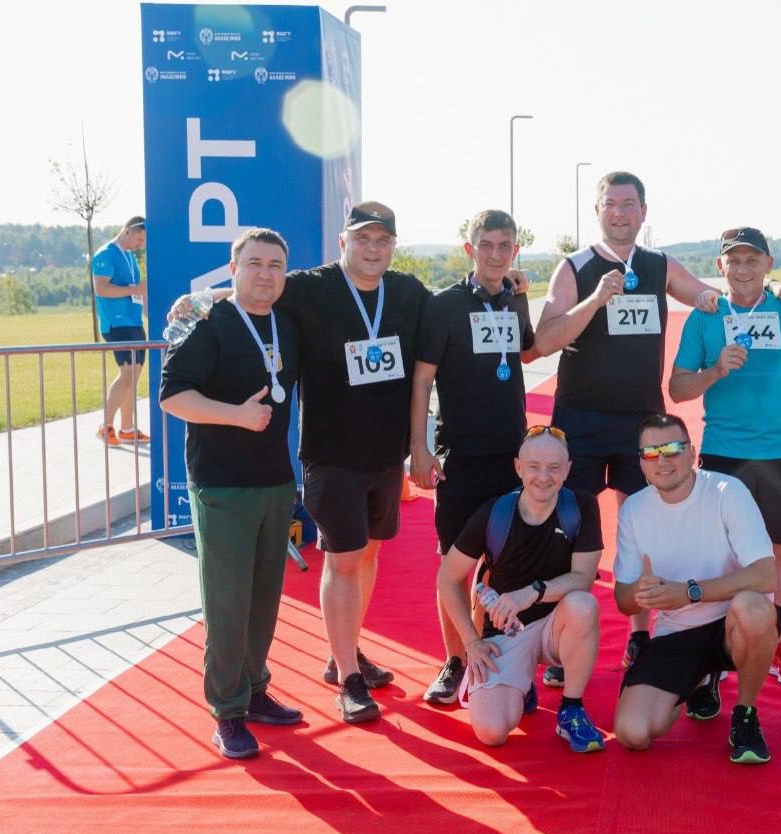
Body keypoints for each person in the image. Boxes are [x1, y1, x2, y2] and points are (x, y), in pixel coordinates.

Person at [171, 201, 430, 724]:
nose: (373, 249)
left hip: (385, 456)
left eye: (382, 240)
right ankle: (344, 679)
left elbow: (451, 311)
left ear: (393, 246)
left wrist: (510, 285)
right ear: (343, 242)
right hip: (330, 455)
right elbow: (254, 290)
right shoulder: (312, 288)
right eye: (362, 239)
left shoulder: (407, 292)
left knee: (367, 556)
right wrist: (199, 300)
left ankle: (345, 653)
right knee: (341, 561)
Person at [533, 172, 722, 679]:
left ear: (643, 211)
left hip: (641, 422)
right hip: (581, 419)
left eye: (629, 204)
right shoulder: (575, 267)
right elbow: (544, 340)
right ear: (597, 211)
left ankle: (640, 637)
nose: (620, 213)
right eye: (611, 204)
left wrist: (769, 296)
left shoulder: (658, 265)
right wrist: (594, 300)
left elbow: (707, 296)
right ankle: (560, 637)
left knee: (644, 526)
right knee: (568, 530)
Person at [159, 228, 303, 759]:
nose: (265, 274)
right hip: (221, 484)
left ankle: (255, 687)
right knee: (227, 601)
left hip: (275, 481)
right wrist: (236, 417)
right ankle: (227, 710)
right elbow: (172, 396)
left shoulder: (288, 322)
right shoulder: (206, 322)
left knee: (264, 597)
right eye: (254, 263)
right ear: (234, 267)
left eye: (275, 265)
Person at [669, 226, 781, 688]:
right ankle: (716, 653)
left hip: (779, 452)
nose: (743, 269)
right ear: (720, 266)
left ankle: (777, 643)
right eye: (733, 260)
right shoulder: (706, 316)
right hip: (724, 454)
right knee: (721, 559)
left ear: (769, 264)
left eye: (752, 259)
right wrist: (715, 370)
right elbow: (678, 389)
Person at [410, 210, 539, 705]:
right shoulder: (444, 305)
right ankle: (456, 660)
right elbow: (423, 379)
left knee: (506, 566)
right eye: (486, 244)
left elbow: (525, 350)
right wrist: (419, 448)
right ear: (470, 249)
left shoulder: (514, 298)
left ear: (515, 250)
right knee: (455, 565)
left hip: (511, 455)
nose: (495, 254)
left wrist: (521, 293)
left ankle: (507, 655)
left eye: (505, 245)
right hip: (460, 455)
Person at [612, 414, 778, 764]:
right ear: (641, 462)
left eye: (672, 448)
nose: (662, 460)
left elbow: (766, 576)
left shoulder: (727, 491)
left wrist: (689, 592)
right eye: (651, 452)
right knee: (632, 733)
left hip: (732, 624)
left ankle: (745, 714)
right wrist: (640, 592)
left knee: (754, 607)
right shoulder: (634, 509)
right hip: (677, 632)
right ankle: (700, 678)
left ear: (692, 453)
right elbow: (623, 601)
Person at [437, 426, 606, 752]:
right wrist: (471, 642)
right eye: (534, 466)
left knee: (583, 605)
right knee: (492, 731)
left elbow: (583, 578)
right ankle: (523, 683)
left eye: (554, 467)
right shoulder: (495, 513)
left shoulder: (581, 507)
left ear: (567, 469)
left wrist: (531, 593)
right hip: (507, 631)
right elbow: (447, 578)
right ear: (518, 467)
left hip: (557, 625)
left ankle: (571, 709)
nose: (543, 476)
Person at [93, 215, 149, 445]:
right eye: (138, 239)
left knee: (133, 376)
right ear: (127, 231)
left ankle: (127, 428)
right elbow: (101, 289)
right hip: (116, 323)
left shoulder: (130, 257)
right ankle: (105, 427)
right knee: (127, 374)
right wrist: (135, 289)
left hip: (134, 322)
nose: (140, 245)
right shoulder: (104, 254)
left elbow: (139, 291)